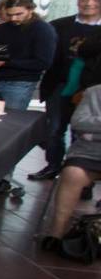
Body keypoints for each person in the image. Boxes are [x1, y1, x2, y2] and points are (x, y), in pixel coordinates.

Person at [0, 0, 56, 195]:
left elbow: (43, 62)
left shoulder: (43, 30)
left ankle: (4, 178)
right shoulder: (2, 28)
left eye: (19, 14)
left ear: (30, 9)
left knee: (9, 133)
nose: (14, 18)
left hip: (21, 84)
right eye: (10, 14)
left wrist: (7, 62)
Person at [29, 0, 101, 181]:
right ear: (78, 0)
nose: (89, 3)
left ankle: (82, 177)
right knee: (54, 129)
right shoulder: (59, 25)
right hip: (59, 85)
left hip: (92, 91)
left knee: (85, 132)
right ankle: (53, 166)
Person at [37, 84, 101, 255]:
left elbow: (89, 128)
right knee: (73, 173)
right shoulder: (94, 92)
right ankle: (56, 233)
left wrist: (94, 132)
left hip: (92, 142)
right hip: (88, 153)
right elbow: (79, 123)